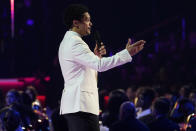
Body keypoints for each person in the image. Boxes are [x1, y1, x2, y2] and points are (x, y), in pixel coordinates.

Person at [58, 4, 145, 131]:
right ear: (76, 23)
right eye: (87, 20)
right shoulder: (75, 43)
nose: (90, 23)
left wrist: (96, 56)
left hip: (78, 106)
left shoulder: (70, 41)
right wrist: (127, 53)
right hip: (81, 107)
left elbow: (86, 70)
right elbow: (100, 66)